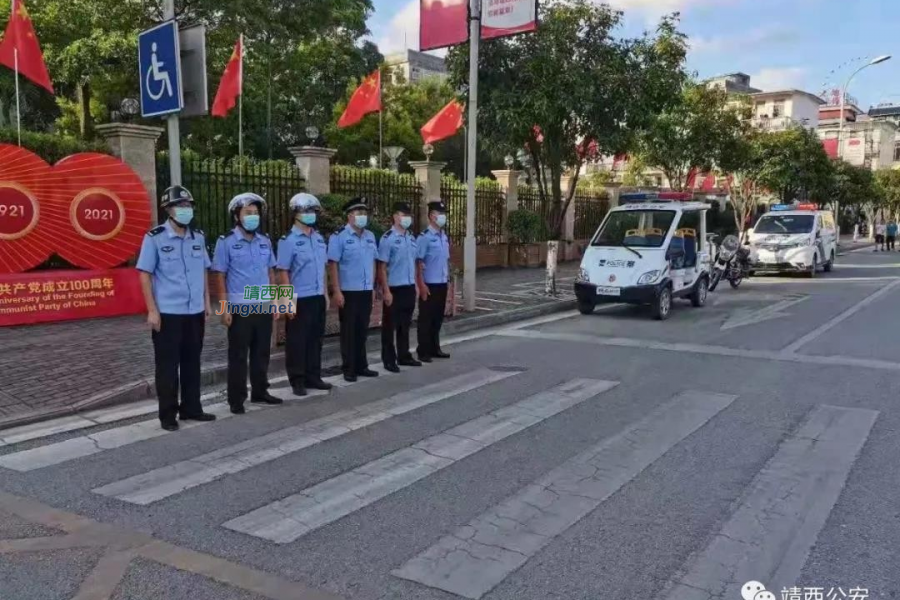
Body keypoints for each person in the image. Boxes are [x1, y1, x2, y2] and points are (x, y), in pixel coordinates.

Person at [136, 186, 216, 431]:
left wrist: (207, 302)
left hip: (194, 312)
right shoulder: (155, 238)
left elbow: (203, 270)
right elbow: (144, 275)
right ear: (168, 210)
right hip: (168, 314)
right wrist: (152, 310)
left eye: (188, 206)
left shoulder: (198, 237)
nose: (185, 210)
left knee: (192, 363)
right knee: (168, 366)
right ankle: (168, 415)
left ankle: (192, 408)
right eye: (180, 206)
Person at [212, 193, 282, 415]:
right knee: (239, 355)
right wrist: (224, 309)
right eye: (248, 213)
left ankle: (260, 391)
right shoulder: (226, 242)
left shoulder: (265, 241)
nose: (253, 217)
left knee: (262, 352)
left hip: (262, 303)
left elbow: (271, 272)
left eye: (255, 213)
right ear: (237, 216)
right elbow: (219, 276)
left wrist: (276, 301)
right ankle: (236, 398)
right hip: (239, 307)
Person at [277, 193, 334, 396]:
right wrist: (286, 301)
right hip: (299, 298)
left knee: (315, 339)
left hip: (317, 296)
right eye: (306, 211)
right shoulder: (288, 241)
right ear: (296, 213)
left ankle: (313, 376)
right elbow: (283, 271)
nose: (311, 215)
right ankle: (297, 379)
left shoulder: (318, 239)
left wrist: (325, 294)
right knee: (297, 341)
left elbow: (323, 268)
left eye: (313, 211)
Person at [328, 197, 379, 382]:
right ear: (350, 216)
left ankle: (362, 365)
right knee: (349, 331)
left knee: (361, 330)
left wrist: (372, 287)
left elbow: (373, 262)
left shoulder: (370, 236)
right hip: (348, 291)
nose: (362, 216)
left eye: (364, 213)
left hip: (365, 290)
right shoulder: (339, 236)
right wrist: (337, 291)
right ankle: (349, 368)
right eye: (359, 213)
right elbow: (333, 264)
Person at [377, 202, 422, 372]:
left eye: (409, 215)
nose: (407, 218)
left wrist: (416, 285)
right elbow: (382, 267)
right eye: (404, 215)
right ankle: (389, 359)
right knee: (390, 326)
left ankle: (404, 355)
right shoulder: (388, 238)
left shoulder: (411, 237)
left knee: (405, 324)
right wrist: (386, 290)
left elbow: (414, 263)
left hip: (408, 287)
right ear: (395, 217)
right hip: (394, 288)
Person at [416, 201, 451, 363]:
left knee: (437, 317)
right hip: (429, 283)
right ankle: (423, 350)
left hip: (441, 282)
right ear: (431, 216)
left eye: (444, 213)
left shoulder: (443, 236)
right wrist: (421, 284)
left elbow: (445, 260)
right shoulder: (425, 237)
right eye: (439, 213)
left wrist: (448, 280)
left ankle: (434, 347)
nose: (443, 217)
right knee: (426, 318)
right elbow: (418, 262)